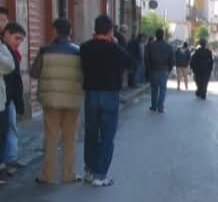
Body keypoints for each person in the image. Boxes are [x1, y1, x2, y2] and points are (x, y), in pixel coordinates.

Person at [79, 14, 132, 187]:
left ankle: (89, 170)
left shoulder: (85, 48)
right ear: (110, 31)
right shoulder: (114, 49)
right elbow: (131, 63)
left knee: (91, 133)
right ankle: (100, 175)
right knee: (107, 136)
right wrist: (116, 44)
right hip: (110, 94)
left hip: (91, 93)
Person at [30, 17, 84, 185]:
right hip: (72, 100)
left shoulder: (45, 51)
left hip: (51, 101)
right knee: (70, 138)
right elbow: (84, 75)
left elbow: (34, 72)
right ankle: (69, 174)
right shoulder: (79, 52)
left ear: (54, 31)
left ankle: (48, 175)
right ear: (70, 32)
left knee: (51, 138)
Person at [1, 21, 27, 175]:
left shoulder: (12, 53)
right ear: (6, 35)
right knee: (6, 130)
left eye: (21, 40)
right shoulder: (5, 52)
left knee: (9, 128)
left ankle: (10, 159)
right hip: (4, 98)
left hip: (7, 98)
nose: (19, 43)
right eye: (17, 38)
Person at [144, 27, 174, 112]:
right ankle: (160, 106)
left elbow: (146, 58)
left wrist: (148, 68)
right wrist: (169, 69)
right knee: (163, 89)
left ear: (155, 35)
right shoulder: (168, 46)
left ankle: (153, 106)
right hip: (164, 70)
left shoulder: (150, 45)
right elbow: (171, 59)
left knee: (154, 88)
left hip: (153, 69)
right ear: (163, 35)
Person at [0, 32, 15, 186]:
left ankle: (1, 166)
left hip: (0, 100)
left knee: (2, 134)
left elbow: (10, 66)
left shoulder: (2, 47)